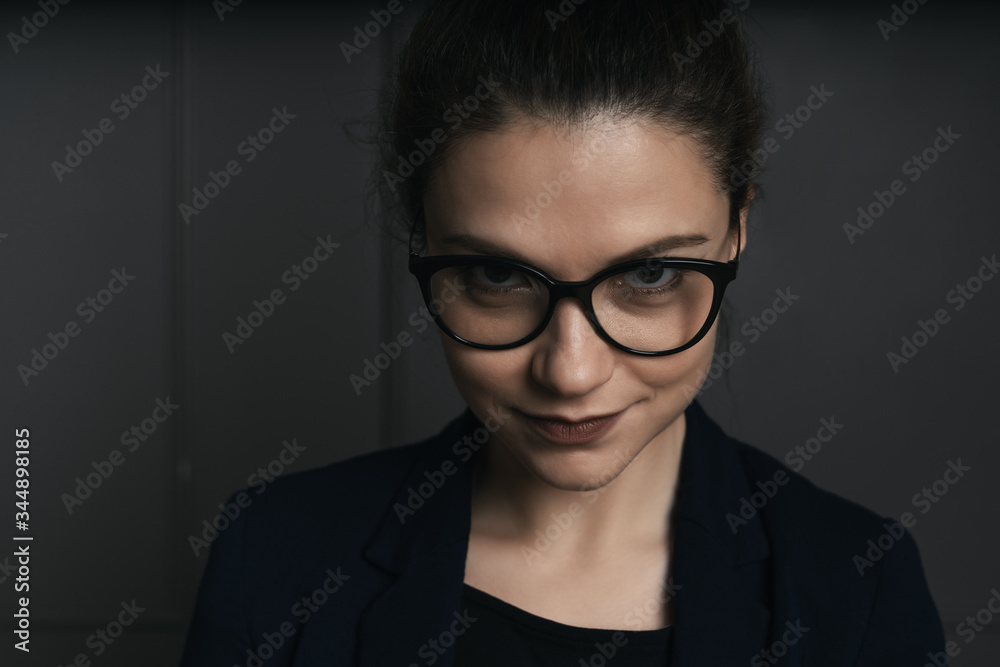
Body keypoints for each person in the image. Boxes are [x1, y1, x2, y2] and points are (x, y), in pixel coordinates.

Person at [182, 1, 945, 664]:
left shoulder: (858, 586)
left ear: (735, 231)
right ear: (423, 241)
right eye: (498, 277)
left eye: (648, 276)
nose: (571, 372)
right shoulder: (274, 561)